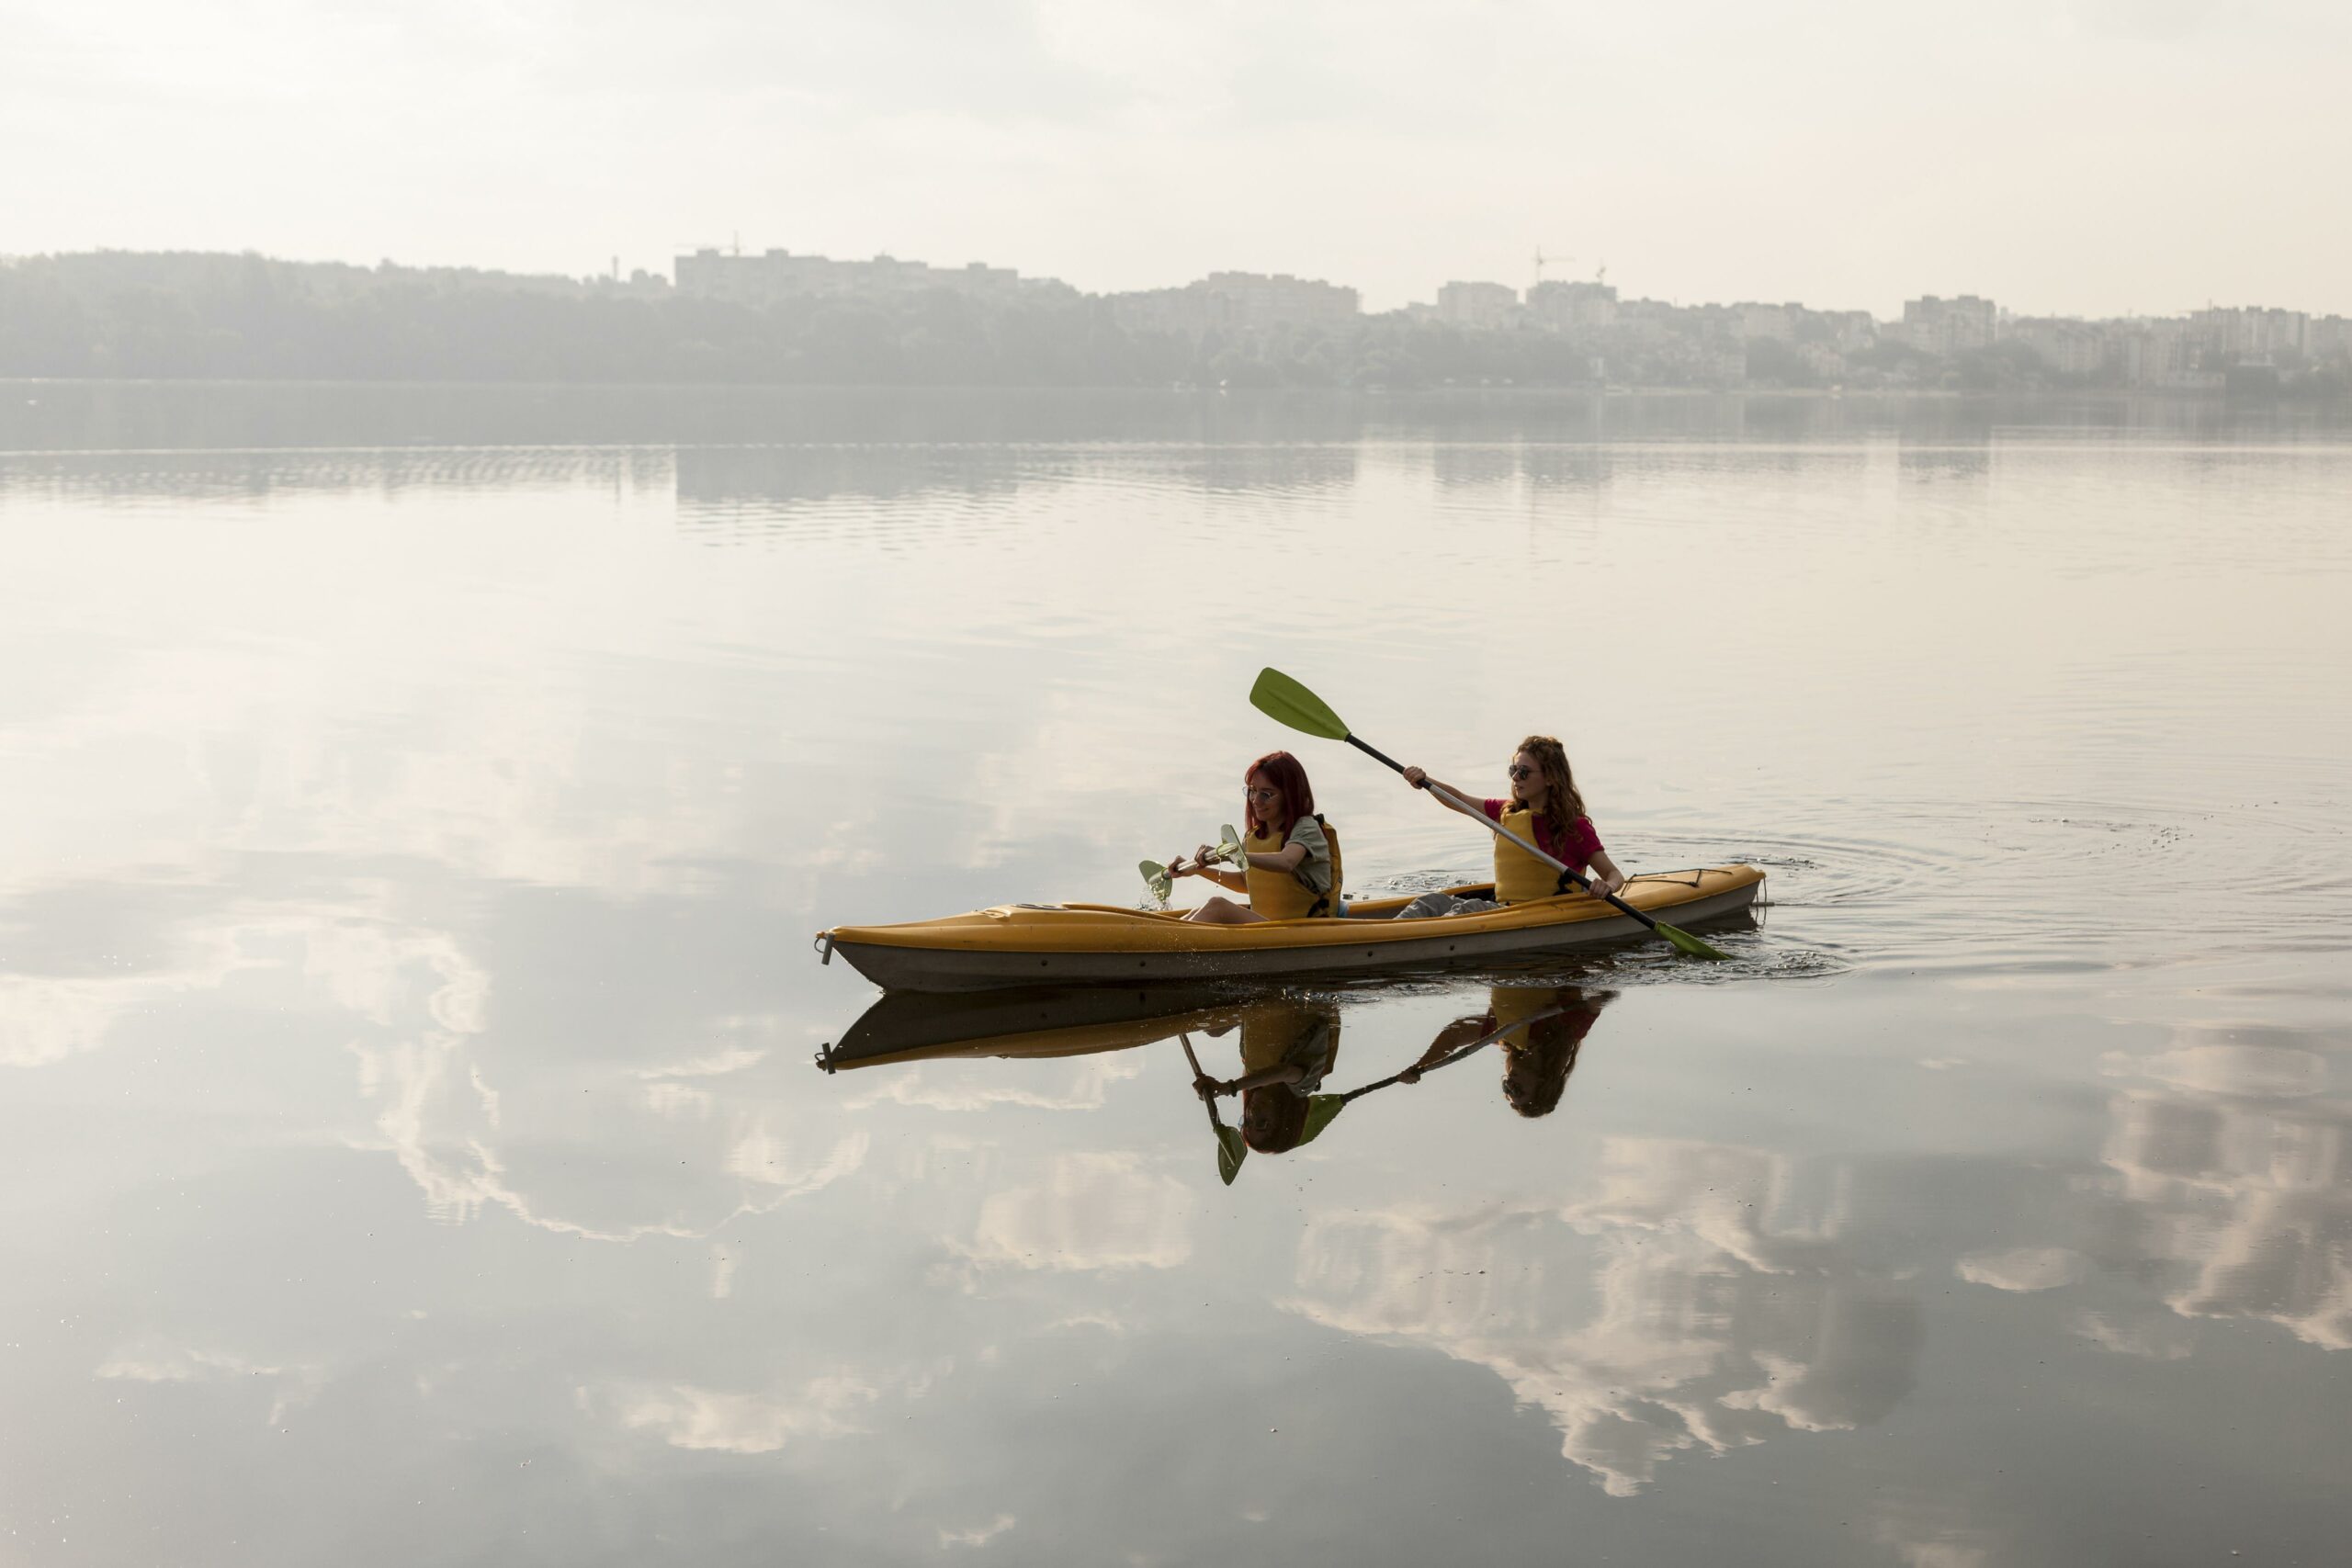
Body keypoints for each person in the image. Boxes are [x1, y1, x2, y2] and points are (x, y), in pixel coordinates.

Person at [1398, 735, 1626, 908]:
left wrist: (1606, 886)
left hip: (1539, 913)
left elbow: (1614, 875)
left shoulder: (1573, 827)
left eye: (1524, 772)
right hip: (1501, 909)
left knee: (1467, 909)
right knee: (1430, 902)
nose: (1516, 778)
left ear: (1550, 778)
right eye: (1513, 770)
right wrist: (1425, 781)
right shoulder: (1505, 811)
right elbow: (1458, 799)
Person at [1165, 750, 1344, 925]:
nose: (1256, 801)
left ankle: (1164, 949)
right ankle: (1160, 944)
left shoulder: (1307, 828)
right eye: (1252, 791)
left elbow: (1287, 861)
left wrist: (1233, 854)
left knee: (1217, 906)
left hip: (1305, 934)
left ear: (1289, 796)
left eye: (1267, 794)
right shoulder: (1254, 836)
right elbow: (1246, 883)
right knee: (1198, 911)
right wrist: (1198, 870)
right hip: (1268, 931)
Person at [1191, 992, 1341, 1152]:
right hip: (1298, 995)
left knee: (1213, 1030)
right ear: (1286, 1118)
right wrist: (1229, 1088)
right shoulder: (1304, 1086)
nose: (1253, 1113)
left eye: (1247, 1121)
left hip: (1258, 999)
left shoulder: (1251, 1066)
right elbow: (1284, 1072)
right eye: (1262, 1123)